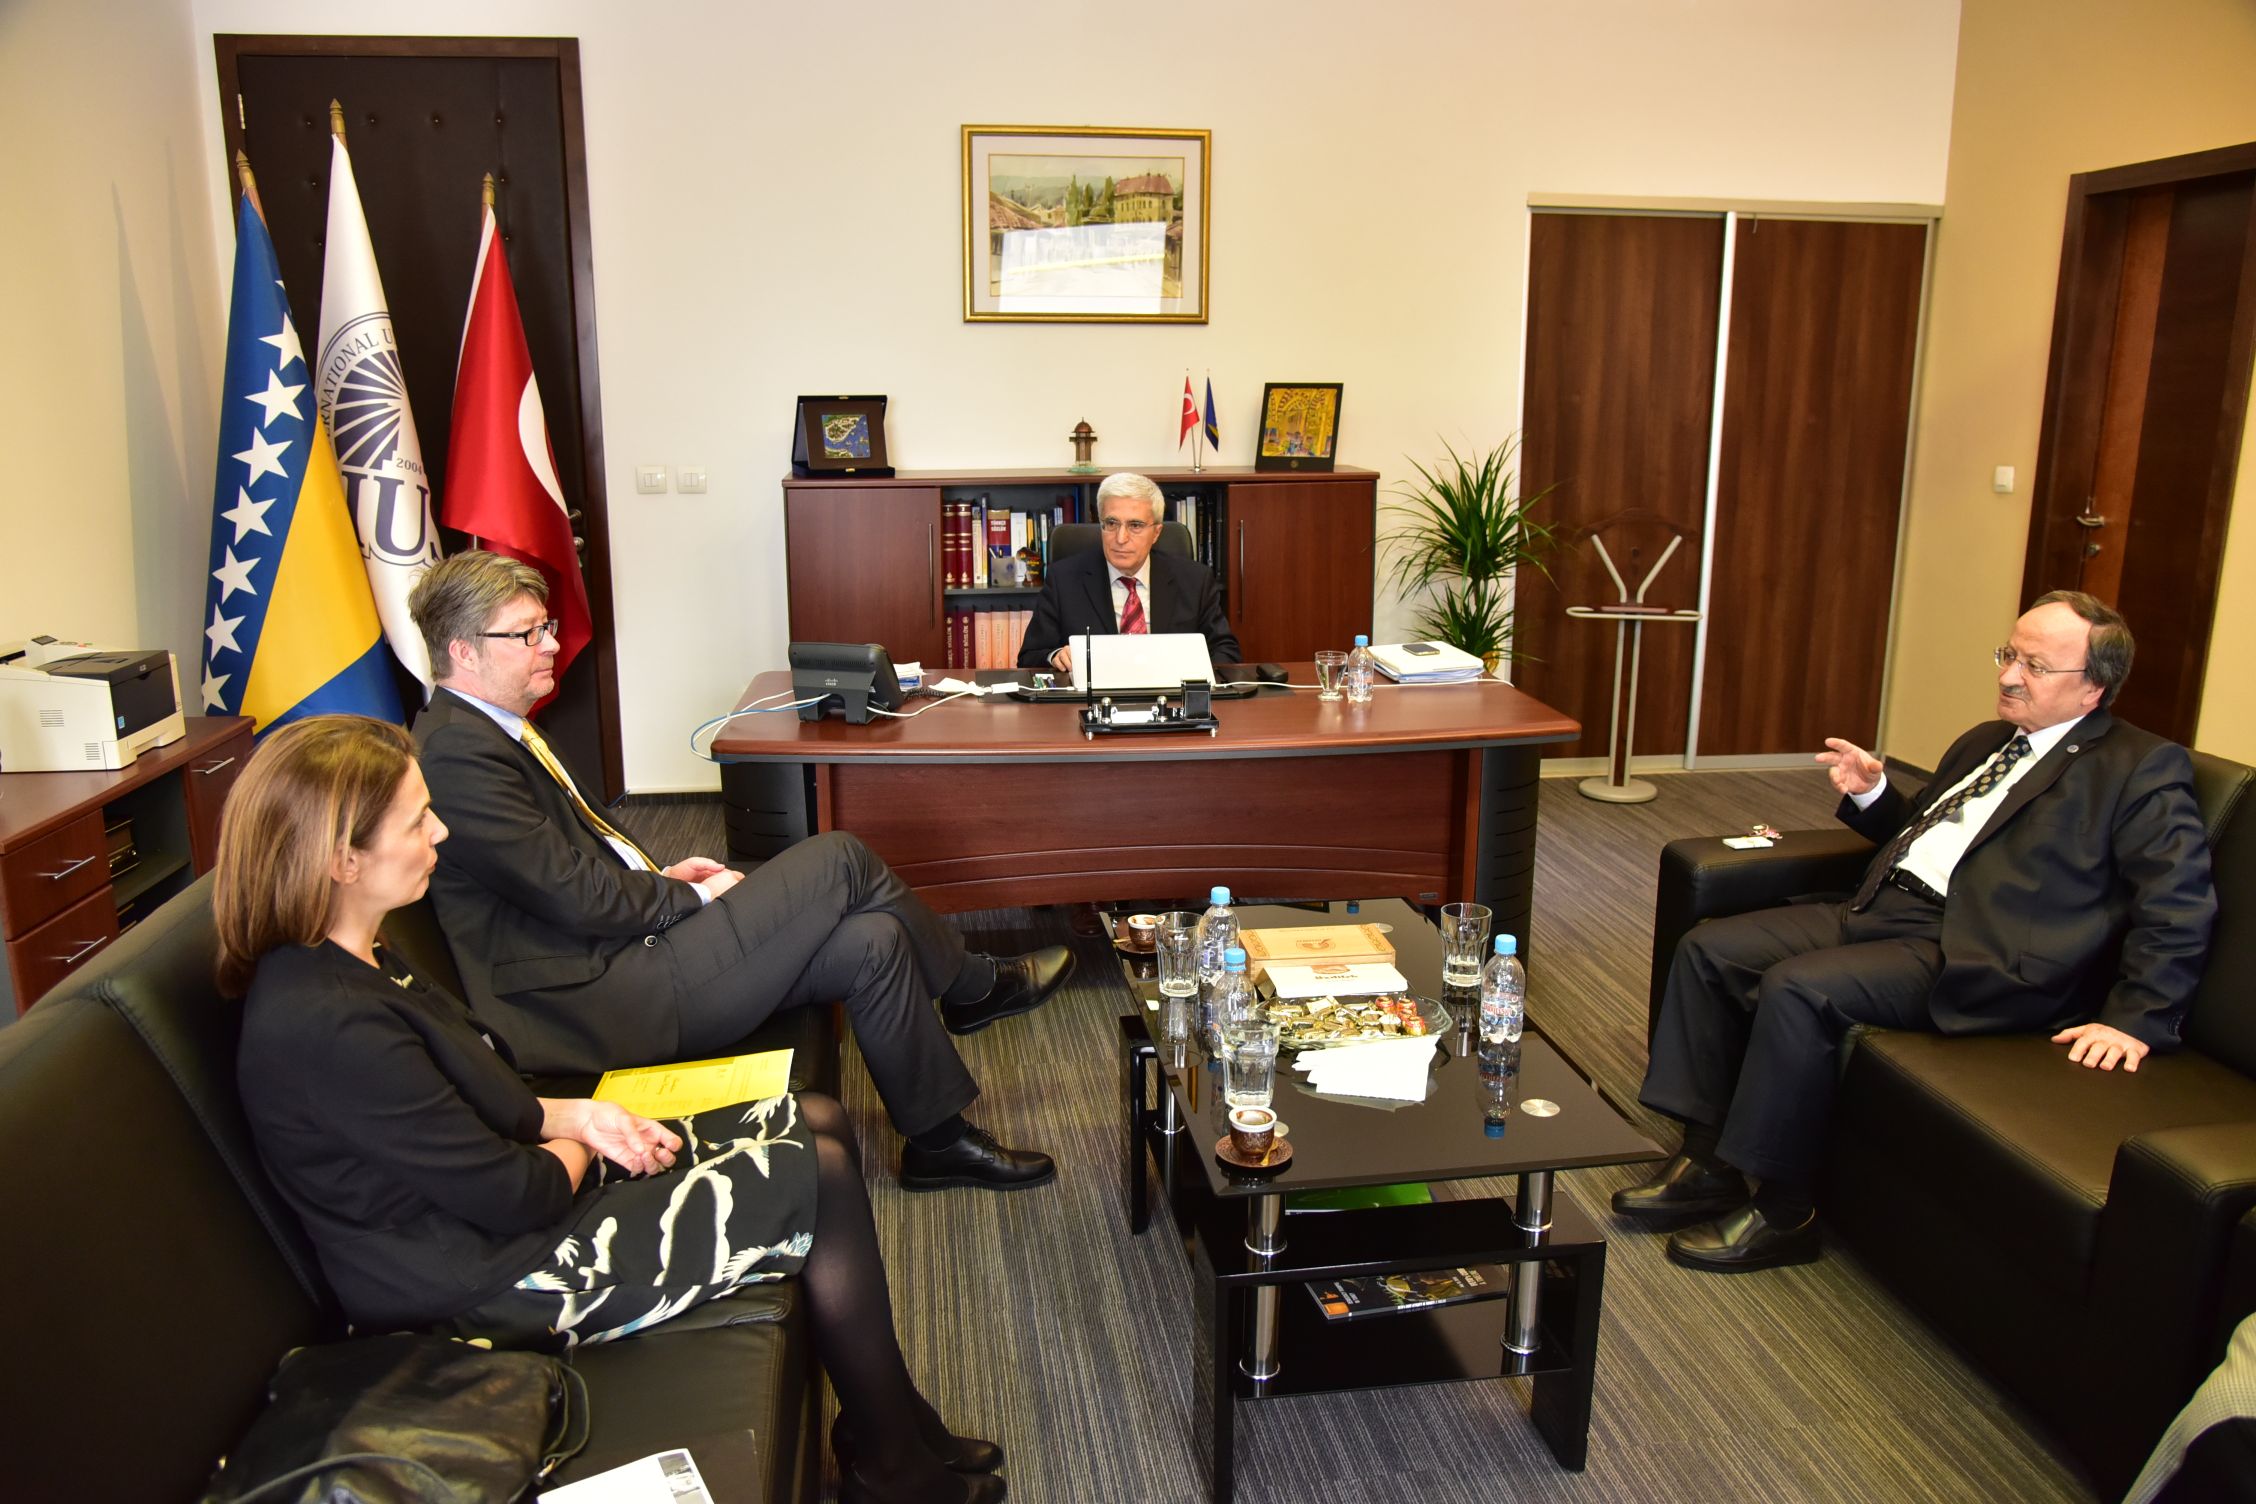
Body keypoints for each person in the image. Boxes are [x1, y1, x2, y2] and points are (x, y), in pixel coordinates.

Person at [221, 717, 1005, 1504]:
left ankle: (890, 1424)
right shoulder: (329, 1025)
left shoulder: (359, 956)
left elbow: (486, 1090)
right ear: (342, 859)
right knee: (822, 1174)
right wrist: (590, 1140)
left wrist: (576, 1118)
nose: (441, 831)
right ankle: (893, 1466)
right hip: (483, 1282)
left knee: (819, 1118)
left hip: (501, 1214)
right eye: (417, 820)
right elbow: (514, 1195)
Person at [407, 551, 1069, 1192]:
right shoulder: (459, 755)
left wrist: (662, 872)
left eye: (545, 626)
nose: (551, 644)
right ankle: (973, 986)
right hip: (601, 999)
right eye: (527, 634)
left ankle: (939, 1143)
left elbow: (563, 867)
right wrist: (690, 897)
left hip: (621, 957)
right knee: (840, 859)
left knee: (875, 939)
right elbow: (574, 895)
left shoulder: (494, 730)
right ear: (463, 650)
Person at [1617, 591, 2215, 1272]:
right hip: (1884, 908)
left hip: (1975, 950)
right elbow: (1927, 836)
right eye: (2009, 655)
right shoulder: (1988, 741)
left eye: (2035, 666)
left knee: (1799, 989)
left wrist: (2137, 1017)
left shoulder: (2139, 766)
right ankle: (1706, 1162)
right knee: (1710, 949)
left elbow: (2179, 900)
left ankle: (1786, 1212)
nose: (2009, 676)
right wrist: (1872, 795)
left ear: (2094, 688)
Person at [1016, 471, 1240, 673]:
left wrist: (1193, 677)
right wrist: (1056, 656)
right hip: (1093, 700)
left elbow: (1226, 651)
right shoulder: (1063, 580)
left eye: (1135, 525)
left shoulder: (1194, 580)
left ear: (1156, 533)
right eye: (1112, 523)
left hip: (1171, 698)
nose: (1121, 538)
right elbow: (1029, 658)